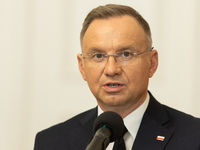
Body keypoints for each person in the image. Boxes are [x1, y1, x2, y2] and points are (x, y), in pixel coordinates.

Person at [34, 4, 200, 150]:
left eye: (126, 54)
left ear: (152, 63)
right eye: (98, 56)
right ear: (82, 67)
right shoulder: (52, 142)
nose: (111, 70)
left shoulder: (194, 138)